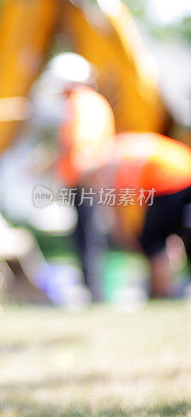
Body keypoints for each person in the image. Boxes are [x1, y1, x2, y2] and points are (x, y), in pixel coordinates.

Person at [92, 132, 191, 298]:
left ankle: (162, 292)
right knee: (172, 237)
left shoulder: (105, 162)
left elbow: (115, 205)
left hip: (168, 182)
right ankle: (170, 284)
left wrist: (124, 237)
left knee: (153, 242)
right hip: (182, 175)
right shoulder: (121, 146)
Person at [52, 55, 116, 302]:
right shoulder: (94, 102)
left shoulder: (80, 104)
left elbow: (79, 143)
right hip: (90, 178)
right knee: (90, 234)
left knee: (87, 235)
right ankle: (94, 290)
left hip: (85, 180)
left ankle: (94, 291)